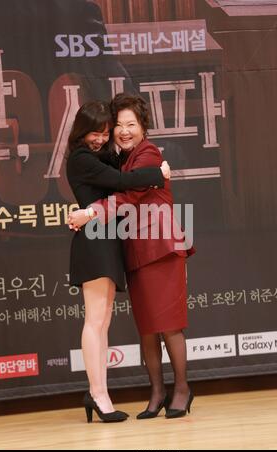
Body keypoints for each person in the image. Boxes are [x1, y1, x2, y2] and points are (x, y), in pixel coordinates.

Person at [68, 94, 195, 419]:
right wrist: (87, 213)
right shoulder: (111, 159)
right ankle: (155, 393)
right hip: (132, 248)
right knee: (147, 328)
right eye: (117, 126)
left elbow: (127, 196)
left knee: (168, 326)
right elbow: (122, 186)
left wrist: (90, 213)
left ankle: (181, 390)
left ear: (143, 127)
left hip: (160, 246)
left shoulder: (147, 153)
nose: (122, 132)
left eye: (130, 125)